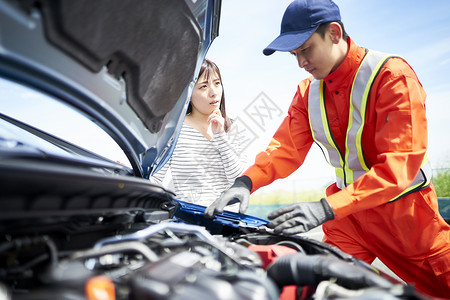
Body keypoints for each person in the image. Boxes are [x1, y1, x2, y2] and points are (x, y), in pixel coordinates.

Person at [204, 0, 450, 297]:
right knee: (313, 285)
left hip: (408, 222)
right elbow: (284, 149)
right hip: (349, 221)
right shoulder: (307, 92)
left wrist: (325, 208)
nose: (301, 63)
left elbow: (399, 167)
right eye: (294, 55)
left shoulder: (391, 76)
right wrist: (245, 182)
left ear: (334, 33)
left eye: (305, 50)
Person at [152, 58, 248, 212]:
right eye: (203, 86)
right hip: (189, 221)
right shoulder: (173, 130)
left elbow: (240, 181)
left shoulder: (234, 127)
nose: (213, 92)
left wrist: (220, 136)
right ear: (188, 93)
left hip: (229, 223)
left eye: (217, 83)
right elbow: (155, 178)